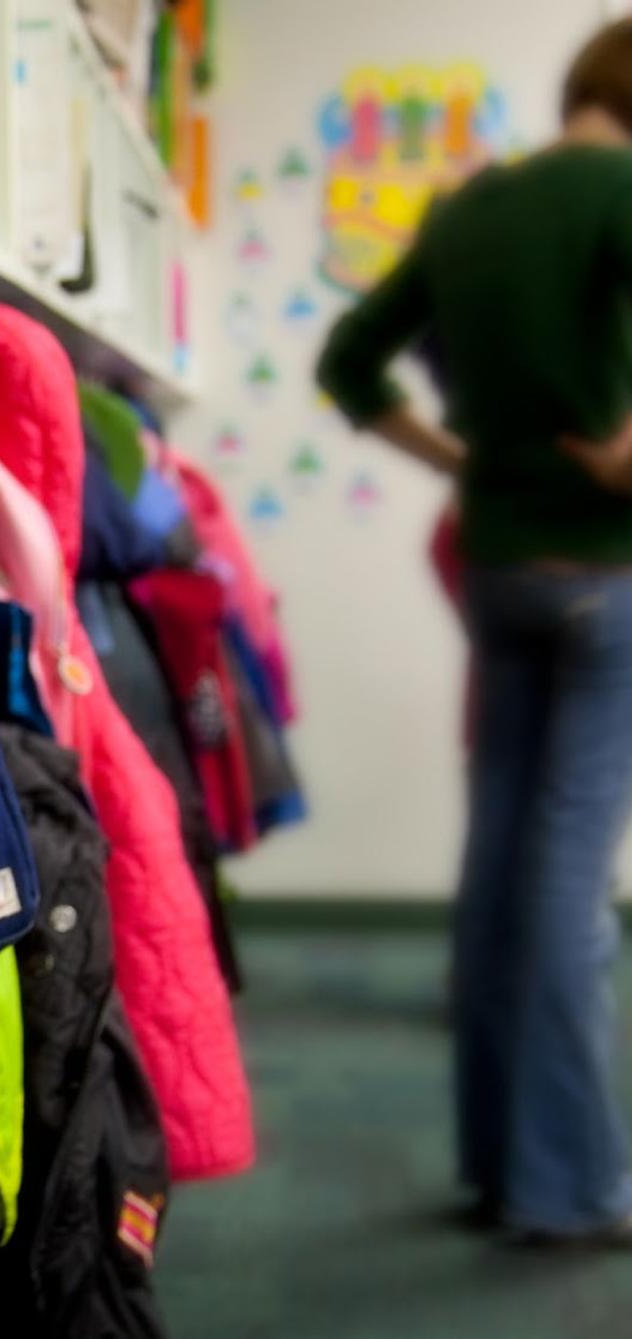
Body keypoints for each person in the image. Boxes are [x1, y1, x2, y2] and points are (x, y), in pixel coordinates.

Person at [317, 17, 632, 1247]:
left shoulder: (473, 209)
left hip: (499, 568)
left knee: (503, 854)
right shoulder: (618, 190)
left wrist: (466, 459)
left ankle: (503, 1166)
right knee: (564, 874)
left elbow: (352, 361)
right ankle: (572, 1187)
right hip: (604, 577)